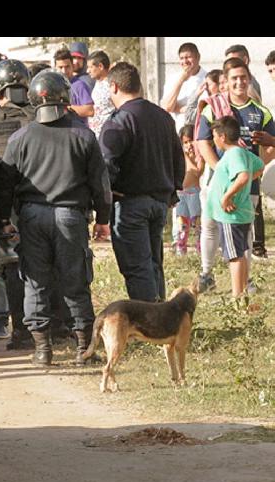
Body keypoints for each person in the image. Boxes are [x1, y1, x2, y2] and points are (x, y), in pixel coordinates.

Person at [0, 70, 111, 365]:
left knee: (35, 281)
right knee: (75, 281)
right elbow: (100, 183)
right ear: (65, 99)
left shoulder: (19, 138)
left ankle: (42, 350)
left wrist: (3, 220)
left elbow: (3, 184)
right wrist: (103, 217)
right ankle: (83, 350)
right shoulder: (84, 136)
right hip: (71, 217)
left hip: (32, 217)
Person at [100, 62, 184, 302]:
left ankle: (151, 321)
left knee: (137, 267)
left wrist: (103, 203)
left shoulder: (120, 120)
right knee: (153, 264)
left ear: (114, 87)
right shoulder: (163, 117)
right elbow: (178, 158)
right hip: (159, 202)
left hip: (129, 204)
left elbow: (106, 164)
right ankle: (162, 316)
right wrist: (172, 191)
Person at [196, 57, 275, 274]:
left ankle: (245, 279)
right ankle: (206, 273)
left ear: (249, 79)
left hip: (247, 184)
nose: (239, 82)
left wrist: (254, 169)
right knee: (210, 225)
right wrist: (221, 170)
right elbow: (202, 142)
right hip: (215, 181)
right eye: (234, 78)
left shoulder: (261, 112)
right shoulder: (214, 107)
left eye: (243, 77)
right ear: (226, 80)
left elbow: (270, 146)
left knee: (245, 231)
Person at [0, 59, 36, 347]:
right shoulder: (39, 115)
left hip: (8, 207)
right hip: (41, 202)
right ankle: (52, 328)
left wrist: (1, 216)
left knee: (14, 267)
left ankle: (22, 331)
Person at [207, 116, 264, 297]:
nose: (213, 140)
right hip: (237, 213)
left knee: (235, 255)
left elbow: (243, 177)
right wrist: (240, 189)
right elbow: (260, 166)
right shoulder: (243, 152)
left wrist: (227, 196)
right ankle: (242, 292)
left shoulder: (234, 154)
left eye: (214, 136)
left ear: (222, 136)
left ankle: (237, 295)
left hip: (231, 215)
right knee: (239, 252)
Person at [161, 42, 207, 134]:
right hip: (177, 133)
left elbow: (205, 107)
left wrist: (179, 108)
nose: (185, 61)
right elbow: (166, 107)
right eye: (182, 58)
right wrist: (181, 80)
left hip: (200, 132)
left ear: (198, 57)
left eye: (188, 57)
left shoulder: (207, 78)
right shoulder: (173, 79)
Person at [174, 125, 204, 256]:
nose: (188, 145)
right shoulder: (179, 157)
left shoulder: (200, 157)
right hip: (181, 193)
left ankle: (200, 249)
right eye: (185, 142)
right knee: (182, 223)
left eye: (191, 140)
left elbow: (197, 172)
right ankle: (181, 248)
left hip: (194, 193)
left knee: (197, 223)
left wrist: (187, 157)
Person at [53, 49, 93, 125]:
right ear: (55, 67)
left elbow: (90, 111)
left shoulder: (79, 85)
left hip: (77, 132)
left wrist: (67, 108)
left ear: (72, 66)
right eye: (60, 67)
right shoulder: (53, 85)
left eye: (67, 66)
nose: (64, 71)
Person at [86, 50, 114, 138]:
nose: (88, 71)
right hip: (97, 136)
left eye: (90, 67)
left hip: (109, 135)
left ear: (100, 66)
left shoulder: (112, 84)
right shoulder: (98, 83)